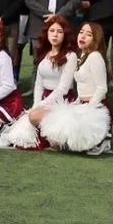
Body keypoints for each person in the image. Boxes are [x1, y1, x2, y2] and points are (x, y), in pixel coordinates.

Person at [41, 21, 112, 154]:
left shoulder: (95, 57)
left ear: (96, 39)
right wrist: (77, 103)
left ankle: (103, 138)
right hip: (82, 104)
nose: (83, 36)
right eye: (81, 32)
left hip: (97, 107)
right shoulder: (83, 56)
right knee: (56, 138)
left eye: (89, 34)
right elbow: (83, 87)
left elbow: (102, 88)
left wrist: (90, 109)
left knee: (78, 145)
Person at [10, 15, 78, 149]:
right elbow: (39, 84)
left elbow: (63, 89)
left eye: (59, 32)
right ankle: (50, 136)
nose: (55, 35)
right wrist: (36, 104)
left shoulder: (71, 56)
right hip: (45, 98)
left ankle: (56, 135)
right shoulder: (44, 54)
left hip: (62, 101)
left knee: (35, 117)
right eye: (52, 31)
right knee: (27, 123)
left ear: (65, 35)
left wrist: (43, 104)